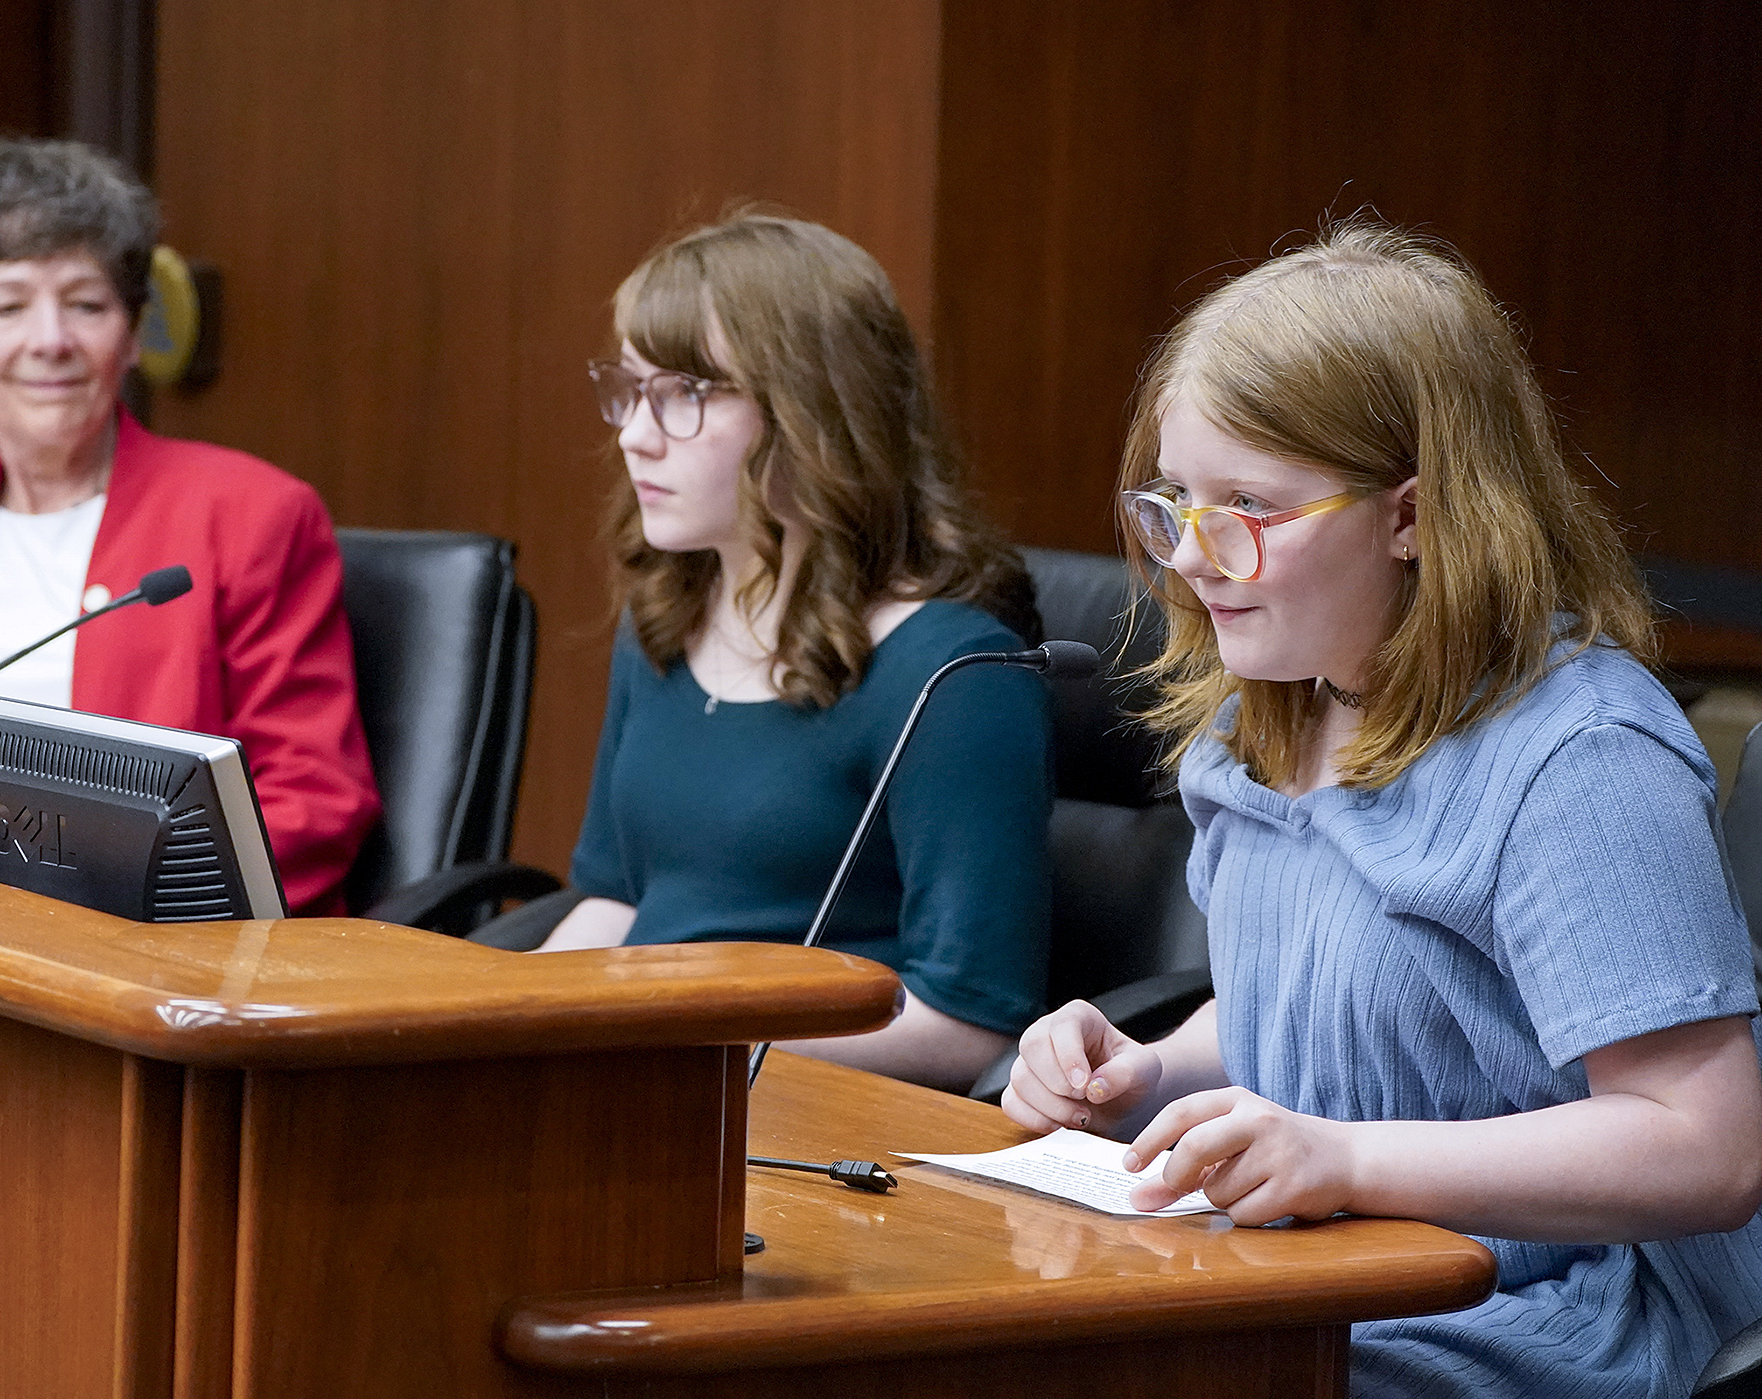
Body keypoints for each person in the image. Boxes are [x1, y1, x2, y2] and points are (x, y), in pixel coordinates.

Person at [1002, 223, 1762, 1396]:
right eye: (1176, 504)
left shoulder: (1582, 758)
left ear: (1412, 516)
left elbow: (1704, 1146)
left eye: (1247, 507)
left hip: (1540, 1309)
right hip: (1329, 1274)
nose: (1196, 561)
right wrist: (1143, 1073)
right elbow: (1312, 1009)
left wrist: (1346, 1158)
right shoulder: (1262, 715)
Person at [0, 136, 377, 914]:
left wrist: (112, 918)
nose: (50, 340)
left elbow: (311, 801)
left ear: (130, 335)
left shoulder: (252, 514)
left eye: (85, 303)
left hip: (145, 960)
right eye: (9, 305)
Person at [537, 212, 1053, 1093]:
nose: (635, 432)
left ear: (815, 411)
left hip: (805, 1127)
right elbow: (617, 902)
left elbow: (968, 1021)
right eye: (629, 389)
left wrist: (672, 1039)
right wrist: (487, 1016)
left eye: (686, 393)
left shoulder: (957, 673)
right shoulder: (665, 617)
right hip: (641, 1082)